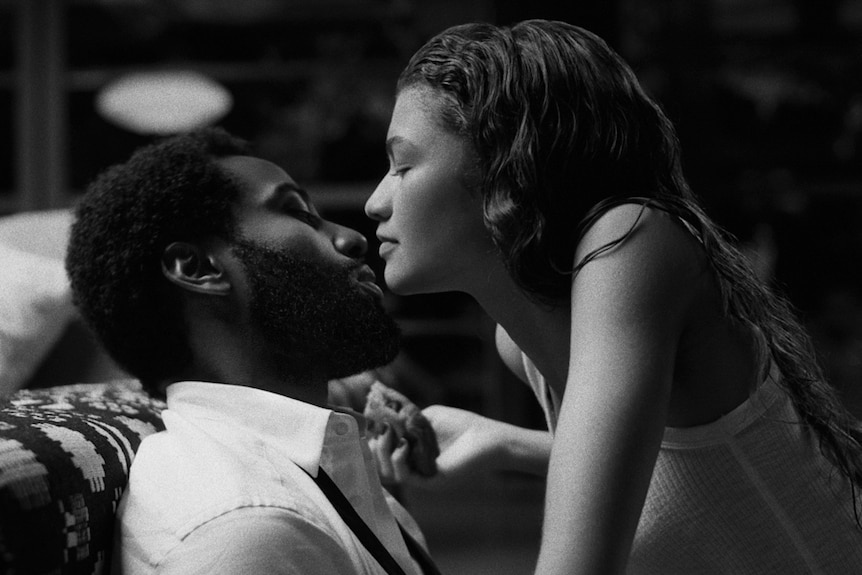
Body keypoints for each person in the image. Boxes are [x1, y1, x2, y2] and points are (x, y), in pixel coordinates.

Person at [364, 19, 862, 574]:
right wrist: (503, 443)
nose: (375, 202)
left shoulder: (633, 242)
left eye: (404, 165)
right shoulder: (519, 345)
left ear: (506, 168)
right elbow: (675, 468)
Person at [65, 127, 439, 575]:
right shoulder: (248, 528)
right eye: (298, 212)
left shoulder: (317, 470)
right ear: (199, 268)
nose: (352, 238)